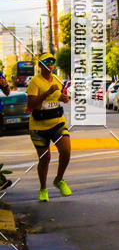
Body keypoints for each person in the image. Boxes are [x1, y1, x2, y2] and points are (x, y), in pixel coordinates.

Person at [26, 53, 72, 202]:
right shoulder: (34, 81)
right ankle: (43, 188)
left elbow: (57, 96)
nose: (50, 63)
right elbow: (31, 104)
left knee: (66, 150)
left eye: (52, 61)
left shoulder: (57, 80)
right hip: (39, 126)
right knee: (44, 159)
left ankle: (59, 179)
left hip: (57, 122)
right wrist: (47, 92)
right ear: (40, 65)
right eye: (47, 61)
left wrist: (63, 98)